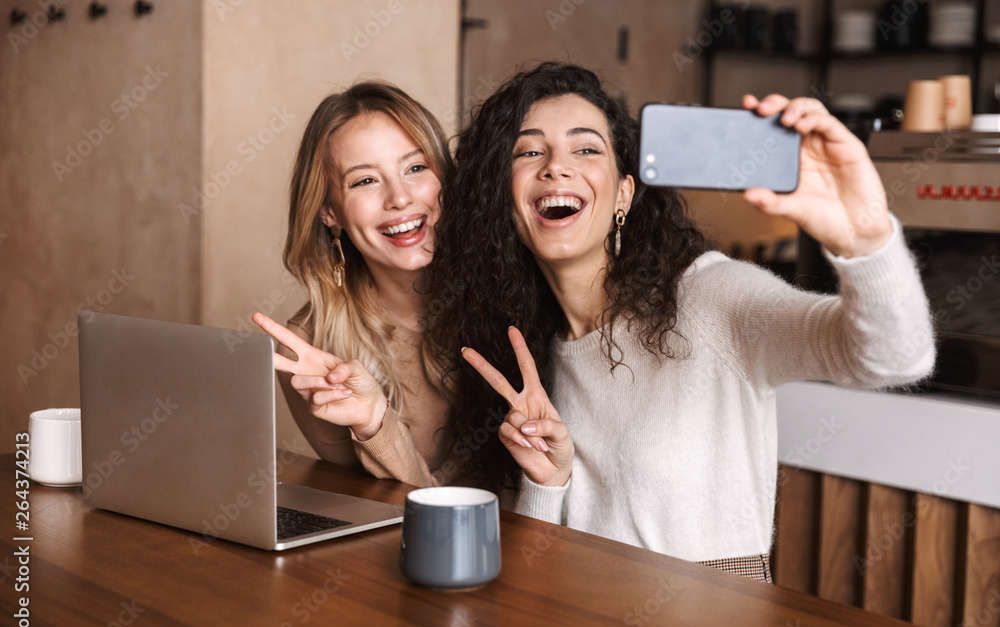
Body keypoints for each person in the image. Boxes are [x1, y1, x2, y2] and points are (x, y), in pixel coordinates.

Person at [422, 62, 935, 583]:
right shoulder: (524, 347)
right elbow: (533, 576)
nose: (556, 166)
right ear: (504, 202)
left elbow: (894, 358)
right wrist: (545, 483)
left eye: (585, 148)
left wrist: (866, 237)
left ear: (623, 194)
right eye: (529, 151)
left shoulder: (709, 297)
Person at [252, 82, 457, 488]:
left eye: (416, 168)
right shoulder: (313, 346)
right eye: (365, 181)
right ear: (330, 212)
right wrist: (372, 423)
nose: (399, 198)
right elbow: (394, 513)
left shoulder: (508, 291)